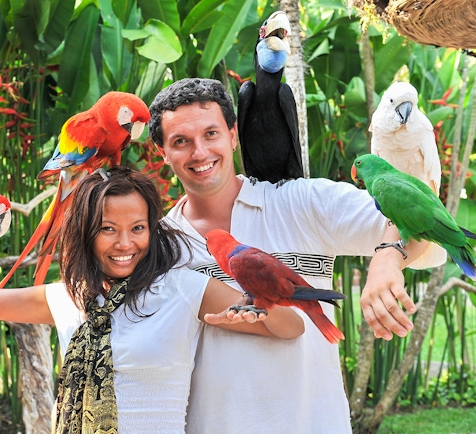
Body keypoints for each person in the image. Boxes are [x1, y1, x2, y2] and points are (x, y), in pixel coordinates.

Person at [0, 166, 304, 434]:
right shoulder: (70, 297)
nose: (125, 243)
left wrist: (261, 308)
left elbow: (291, 328)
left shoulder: (182, 288)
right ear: (86, 233)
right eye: (107, 229)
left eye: (138, 228)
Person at [147, 78, 435, 433]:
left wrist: (387, 259)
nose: (199, 152)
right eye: (181, 142)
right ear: (163, 152)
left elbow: (423, 216)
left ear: (234, 135)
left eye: (211, 134)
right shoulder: (155, 246)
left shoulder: (303, 202)